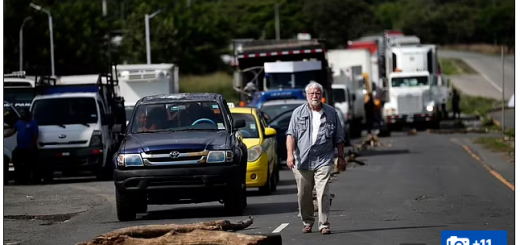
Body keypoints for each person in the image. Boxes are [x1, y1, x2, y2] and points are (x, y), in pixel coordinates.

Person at [286, 81, 346, 235]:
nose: (314, 96)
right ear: (307, 96)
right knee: (303, 194)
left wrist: (341, 156)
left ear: (322, 95)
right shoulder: (297, 113)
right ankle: (307, 222)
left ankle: (324, 224)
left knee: (323, 192)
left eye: (317, 93)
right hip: (302, 160)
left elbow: (339, 137)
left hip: (324, 159)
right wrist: (289, 155)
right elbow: (291, 135)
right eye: (312, 93)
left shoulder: (331, 113)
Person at [3, 108, 39, 184]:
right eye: (21, 113)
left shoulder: (33, 123)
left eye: (24, 113)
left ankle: (30, 179)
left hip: (29, 147)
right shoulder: (18, 123)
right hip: (20, 147)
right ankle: (18, 178)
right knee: (15, 159)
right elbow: (13, 131)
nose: (22, 114)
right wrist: (4, 135)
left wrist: (33, 144)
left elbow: (36, 134)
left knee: (29, 164)